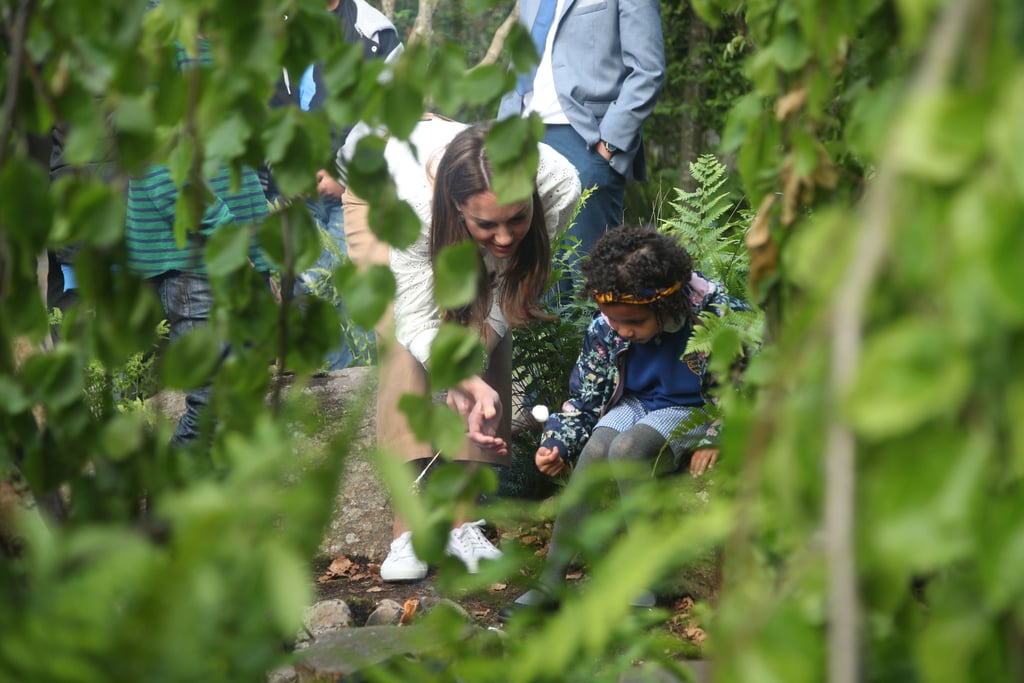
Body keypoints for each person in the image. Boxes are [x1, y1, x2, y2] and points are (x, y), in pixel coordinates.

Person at [338, 117, 581, 581]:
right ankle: (405, 530)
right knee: (403, 349)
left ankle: (460, 523)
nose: (506, 238)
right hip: (379, 190)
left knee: (486, 337)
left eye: (517, 218)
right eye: (488, 224)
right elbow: (415, 319)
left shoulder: (558, 184)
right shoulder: (416, 209)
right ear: (457, 207)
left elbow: (508, 285)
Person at [499, 225, 750, 619]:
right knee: (597, 447)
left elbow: (744, 383)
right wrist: (558, 442)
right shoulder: (608, 326)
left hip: (690, 409)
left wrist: (719, 436)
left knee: (629, 448)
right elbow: (586, 397)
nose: (621, 330)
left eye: (633, 322)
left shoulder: (714, 313)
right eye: (614, 320)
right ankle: (551, 579)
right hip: (633, 402)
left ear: (665, 306)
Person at [497, 0, 666, 298]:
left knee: (583, 281)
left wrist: (609, 145)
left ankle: (592, 347)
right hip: (520, 137)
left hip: (584, 140)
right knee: (528, 275)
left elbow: (648, 69)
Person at [288, 0, 403, 371]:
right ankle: (318, 389)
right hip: (293, 190)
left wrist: (343, 174)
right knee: (304, 288)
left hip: (352, 190)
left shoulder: (376, 33)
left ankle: (357, 390)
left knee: (354, 292)